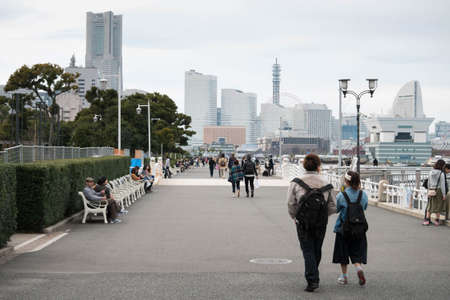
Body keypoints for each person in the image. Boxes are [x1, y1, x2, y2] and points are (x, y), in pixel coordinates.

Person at [287, 153, 336, 292]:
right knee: (316, 248)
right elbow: (334, 205)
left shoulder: (296, 182)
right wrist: (323, 215)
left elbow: (290, 203)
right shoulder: (326, 183)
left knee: (307, 249)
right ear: (318, 166)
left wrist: (294, 216)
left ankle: (312, 279)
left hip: (302, 222)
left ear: (304, 165)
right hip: (321, 222)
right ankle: (313, 274)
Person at [332, 171, 368, 286]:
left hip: (344, 229)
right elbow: (365, 207)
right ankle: (358, 268)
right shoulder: (363, 195)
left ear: (346, 181)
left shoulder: (341, 195)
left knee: (343, 254)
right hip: (359, 229)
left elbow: (336, 209)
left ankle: (344, 277)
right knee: (357, 251)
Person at [423, 159, 447, 226]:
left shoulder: (430, 172)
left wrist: (428, 191)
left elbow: (429, 183)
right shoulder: (441, 173)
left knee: (430, 205)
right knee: (438, 206)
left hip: (431, 190)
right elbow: (442, 185)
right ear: (442, 166)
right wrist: (444, 195)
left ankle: (427, 220)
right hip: (438, 191)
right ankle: (436, 221)